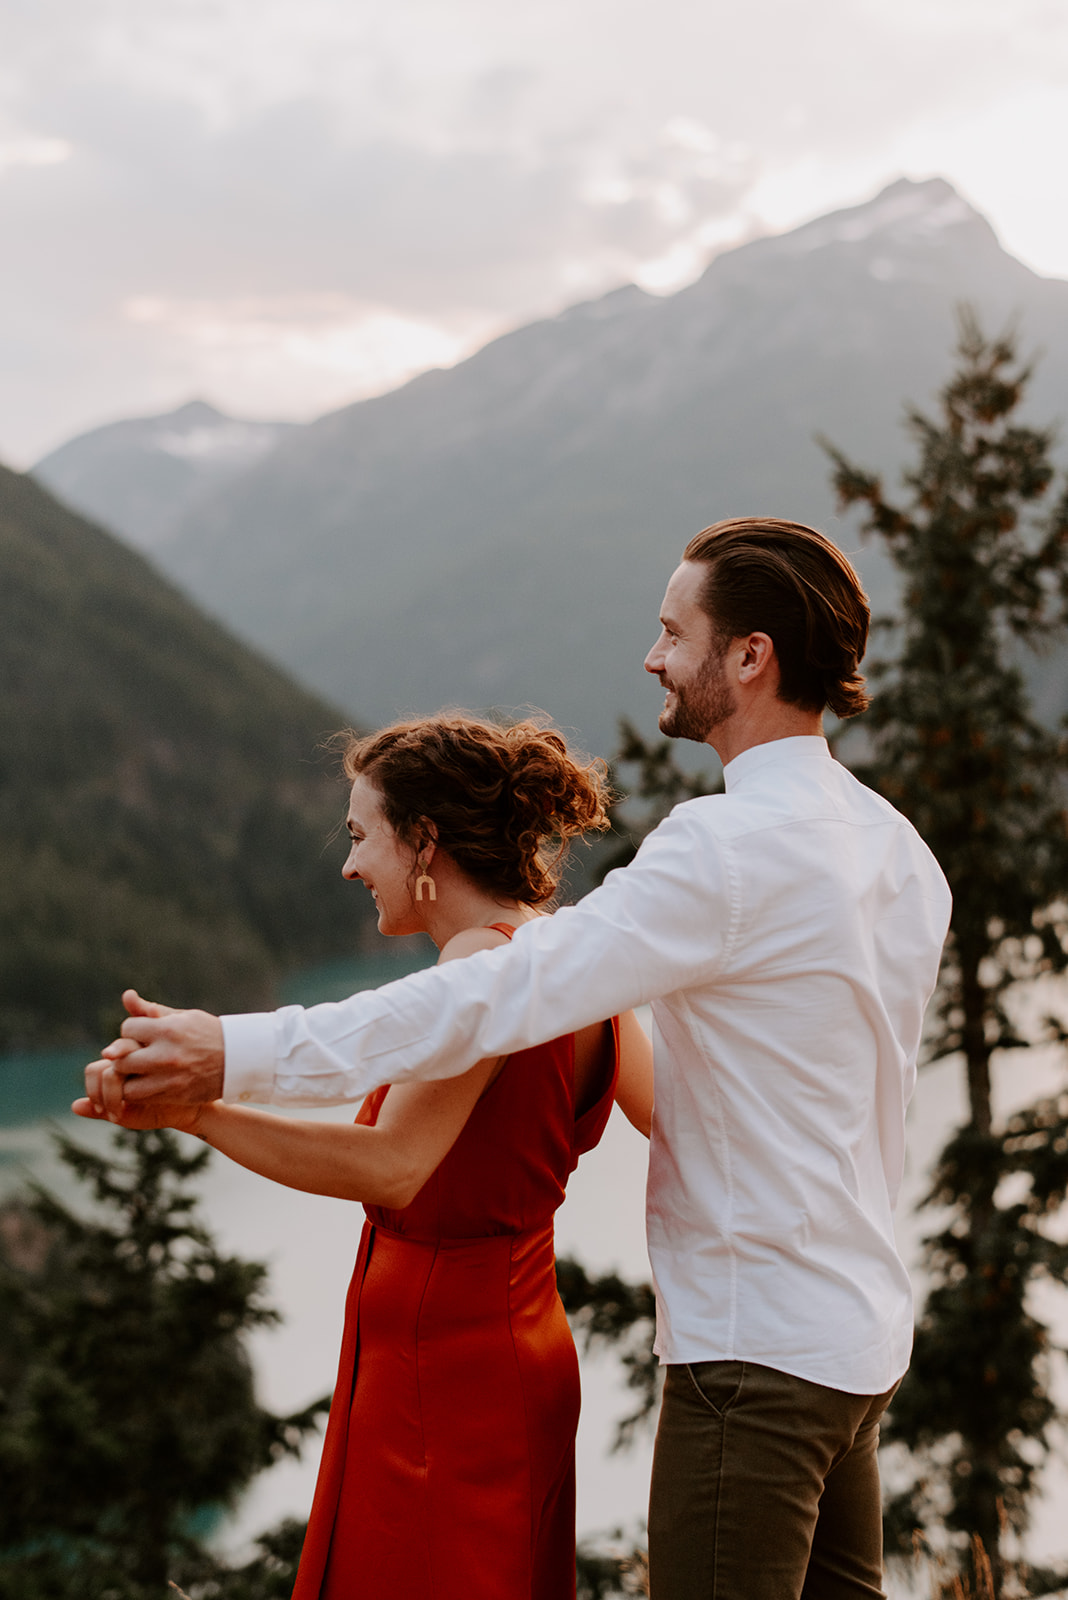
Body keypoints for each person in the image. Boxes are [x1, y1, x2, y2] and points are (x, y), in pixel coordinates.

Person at [83, 517, 952, 1600]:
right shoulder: (899, 854)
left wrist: (233, 1053)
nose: (652, 658)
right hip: (857, 1344)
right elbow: (735, 1097)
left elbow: (498, 993)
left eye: (673, 632)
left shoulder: (723, 850)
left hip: (754, 1356)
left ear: (751, 655)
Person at [78, 712, 655, 1600]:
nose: (349, 866)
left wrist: (201, 1113)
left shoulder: (482, 975)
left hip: (445, 1376)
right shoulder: (570, 960)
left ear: (425, 842)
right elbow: (674, 1118)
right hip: (517, 1345)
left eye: (360, 836)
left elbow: (390, 1165)